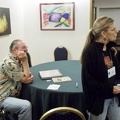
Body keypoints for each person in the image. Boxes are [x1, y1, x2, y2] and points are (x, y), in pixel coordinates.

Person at [80, 16, 120, 120]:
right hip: (98, 100)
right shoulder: (90, 52)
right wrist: (110, 89)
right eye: (113, 29)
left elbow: (116, 72)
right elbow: (89, 82)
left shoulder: (110, 49)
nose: (117, 31)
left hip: (113, 97)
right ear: (103, 34)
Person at [0, 39, 34, 120]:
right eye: (23, 47)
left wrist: (27, 76)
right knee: (26, 106)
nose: (26, 49)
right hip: (3, 97)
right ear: (15, 50)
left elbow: (27, 75)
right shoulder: (9, 63)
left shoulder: (17, 59)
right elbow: (26, 78)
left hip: (12, 92)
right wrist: (25, 61)